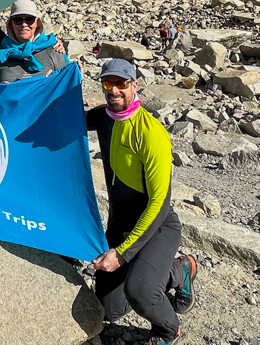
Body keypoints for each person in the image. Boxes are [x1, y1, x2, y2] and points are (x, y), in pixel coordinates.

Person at [87, 59, 197, 345]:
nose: (114, 90)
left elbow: (160, 202)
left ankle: (167, 329)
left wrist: (122, 254)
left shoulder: (151, 132)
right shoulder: (102, 117)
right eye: (108, 83)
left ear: (134, 86)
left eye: (121, 83)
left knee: (140, 293)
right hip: (120, 225)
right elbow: (60, 117)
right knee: (109, 310)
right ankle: (172, 271)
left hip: (157, 227)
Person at [0, 0, 66, 83]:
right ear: (11, 23)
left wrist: (54, 82)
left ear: (37, 22)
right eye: (18, 20)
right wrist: (2, 89)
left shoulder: (54, 49)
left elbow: (68, 85)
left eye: (29, 19)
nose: (24, 24)